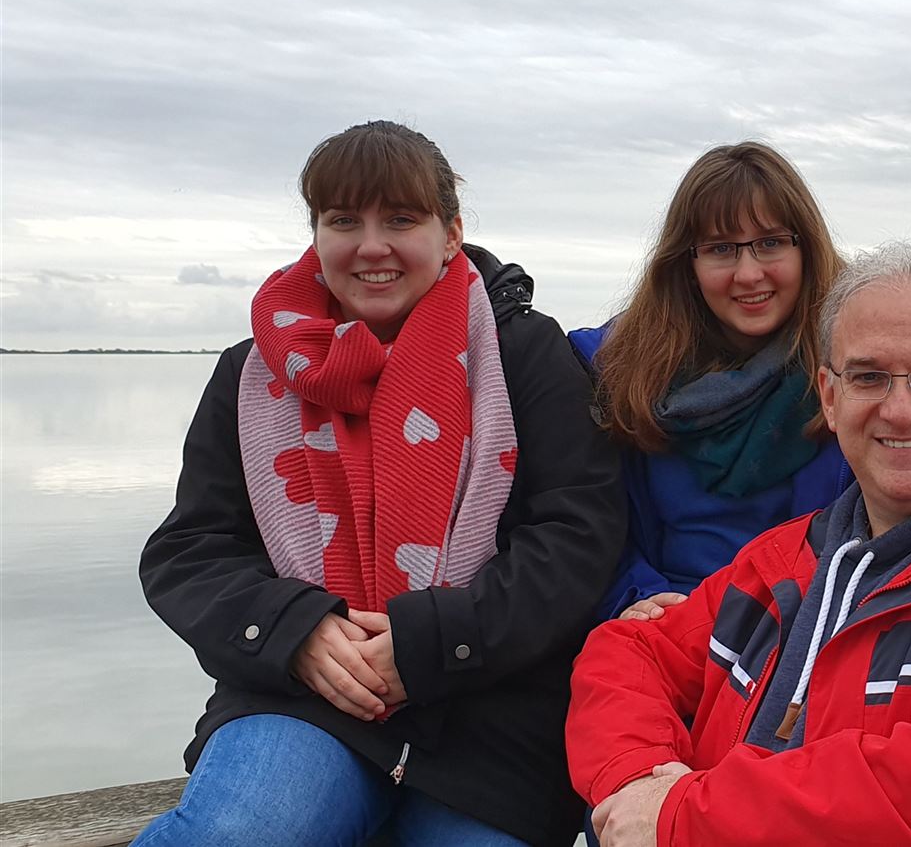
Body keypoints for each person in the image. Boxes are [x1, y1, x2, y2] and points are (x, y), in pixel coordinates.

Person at [134, 120, 626, 847]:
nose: (371, 246)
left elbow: (579, 536)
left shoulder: (523, 353)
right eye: (343, 221)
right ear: (316, 234)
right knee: (237, 833)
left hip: (490, 717)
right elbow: (191, 551)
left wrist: (431, 643)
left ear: (450, 234)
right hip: (303, 698)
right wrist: (296, 632)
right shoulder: (250, 373)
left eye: (400, 219)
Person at [567, 242, 911, 847]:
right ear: (830, 398)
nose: (900, 410)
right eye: (868, 377)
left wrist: (678, 818)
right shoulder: (784, 559)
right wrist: (636, 781)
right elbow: (628, 654)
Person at [568, 141, 850, 622]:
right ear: (688, 264)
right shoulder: (611, 372)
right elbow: (583, 523)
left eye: (771, 242)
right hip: (665, 623)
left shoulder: (856, 367)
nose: (749, 273)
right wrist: (635, 597)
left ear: (806, 248)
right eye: (721, 249)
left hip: (807, 627)